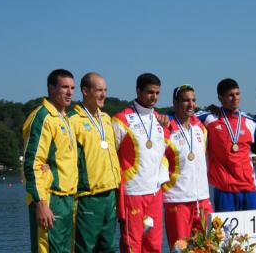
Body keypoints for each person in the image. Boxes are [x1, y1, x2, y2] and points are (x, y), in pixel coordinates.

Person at [112, 73, 169, 253]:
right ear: (138, 91)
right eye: (150, 92)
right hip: (132, 192)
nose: (154, 97)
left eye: (157, 93)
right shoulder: (121, 119)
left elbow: (162, 154)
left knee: (153, 244)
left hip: (154, 192)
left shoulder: (160, 120)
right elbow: (111, 157)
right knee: (132, 244)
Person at [22, 69, 78, 253]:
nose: (69, 92)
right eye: (64, 87)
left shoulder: (64, 117)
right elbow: (32, 164)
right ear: (51, 89)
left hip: (67, 199)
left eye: (72, 88)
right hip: (49, 200)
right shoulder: (42, 117)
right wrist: (40, 204)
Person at [69, 72, 121, 253]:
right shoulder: (72, 121)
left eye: (105, 90)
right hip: (87, 197)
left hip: (110, 195)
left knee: (108, 248)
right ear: (85, 91)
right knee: (85, 248)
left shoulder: (106, 119)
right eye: (99, 90)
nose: (103, 94)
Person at [162, 84, 213, 250]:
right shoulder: (165, 129)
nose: (191, 104)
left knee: (207, 247)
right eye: (185, 100)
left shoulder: (200, 128)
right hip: (177, 200)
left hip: (202, 199)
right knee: (180, 249)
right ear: (175, 102)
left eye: (193, 100)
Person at [197, 78, 256, 212]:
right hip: (225, 190)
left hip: (249, 188)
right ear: (220, 98)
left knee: (252, 233)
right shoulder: (210, 118)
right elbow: (183, 117)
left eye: (237, 94)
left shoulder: (251, 122)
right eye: (230, 95)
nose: (235, 98)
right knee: (225, 233)